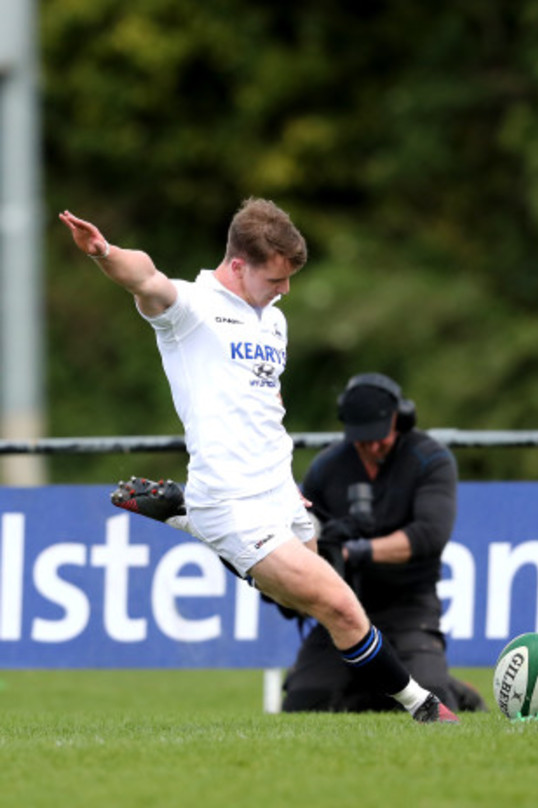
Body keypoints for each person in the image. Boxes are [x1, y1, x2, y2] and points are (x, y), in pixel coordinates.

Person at [59, 199, 458, 724]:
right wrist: (103, 251)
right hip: (231, 497)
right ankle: (424, 707)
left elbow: (265, 405)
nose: (285, 289)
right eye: (277, 278)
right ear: (240, 264)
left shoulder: (274, 321)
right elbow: (147, 277)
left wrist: (286, 482)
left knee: (301, 603)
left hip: (279, 489)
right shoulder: (192, 308)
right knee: (340, 606)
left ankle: (187, 516)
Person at [282, 372, 487, 714]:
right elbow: (302, 532)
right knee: (304, 703)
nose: (372, 446)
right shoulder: (326, 468)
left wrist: (355, 552)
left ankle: (453, 688)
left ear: (399, 419)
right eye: (362, 440)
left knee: (432, 698)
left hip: (409, 606)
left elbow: (428, 535)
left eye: (380, 437)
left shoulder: (431, 459)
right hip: (341, 604)